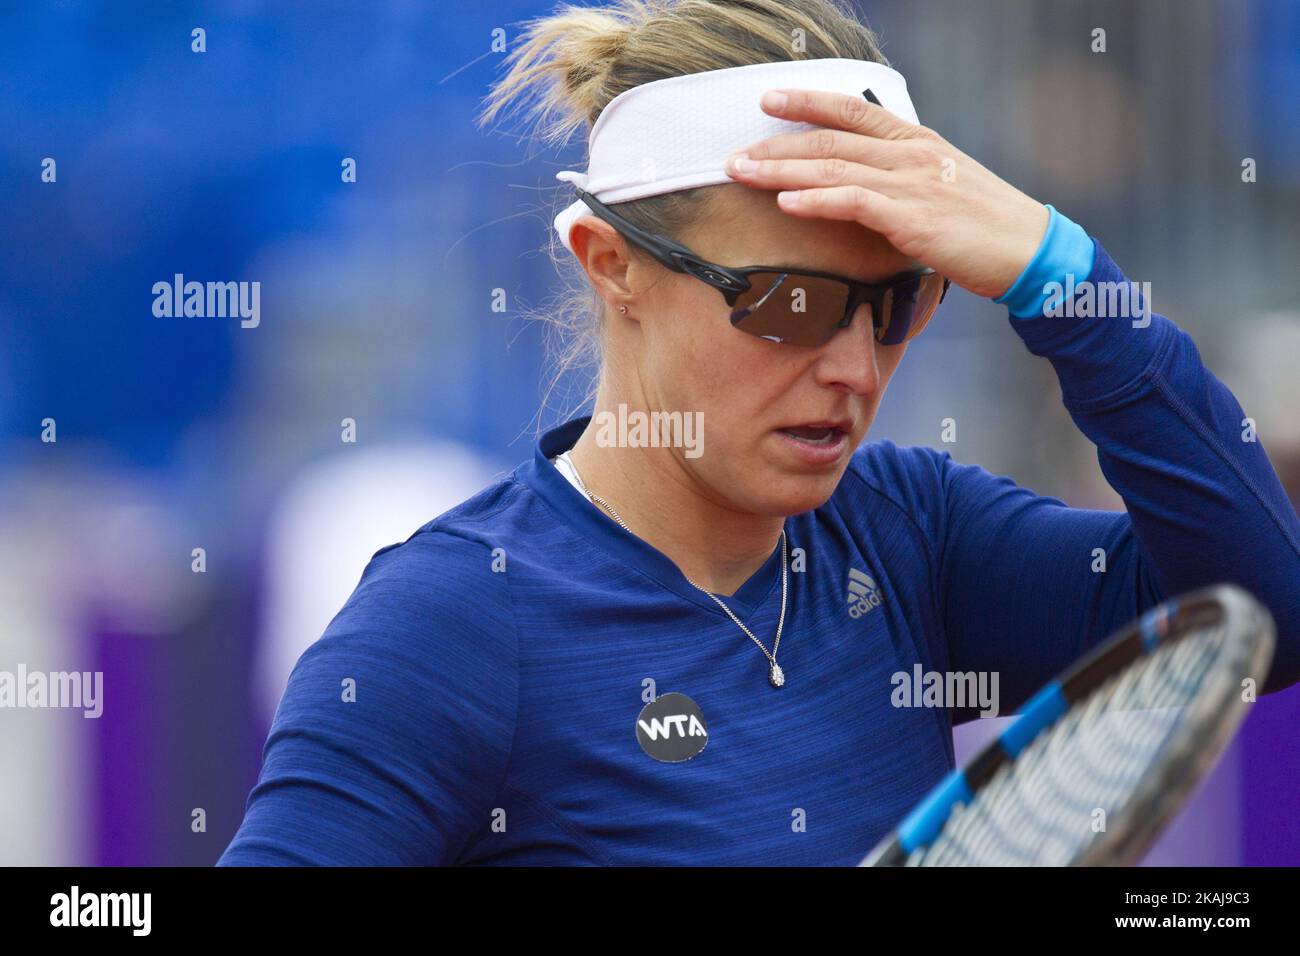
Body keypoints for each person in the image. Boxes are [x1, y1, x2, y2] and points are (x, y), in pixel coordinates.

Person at [218, 0, 1300, 866]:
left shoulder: (910, 537)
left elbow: (1266, 621)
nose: (852, 367)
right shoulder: (447, 624)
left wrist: (1061, 275)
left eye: (897, 305)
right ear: (612, 264)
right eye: (788, 302)